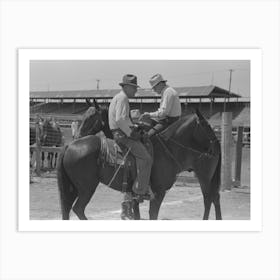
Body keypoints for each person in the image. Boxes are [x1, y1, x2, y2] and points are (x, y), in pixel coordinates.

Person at [108, 74, 153, 219]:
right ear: (126, 87)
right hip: (122, 135)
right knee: (146, 158)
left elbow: (122, 119)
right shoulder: (123, 99)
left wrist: (133, 126)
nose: (135, 91)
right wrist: (133, 133)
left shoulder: (117, 97)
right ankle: (140, 190)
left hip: (118, 132)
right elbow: (120, 120)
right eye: (133, 88)